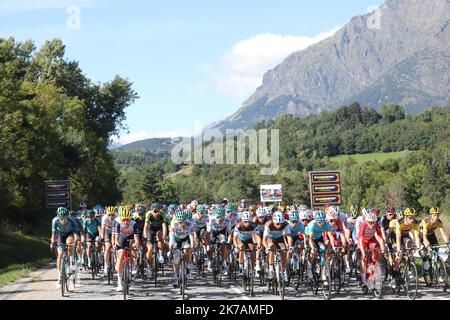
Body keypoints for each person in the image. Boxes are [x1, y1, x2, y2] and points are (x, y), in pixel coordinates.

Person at [112, 206, 141, 292]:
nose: (125, 221)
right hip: (121, 236)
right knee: (121, 254)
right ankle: (119, 282)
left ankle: (133, 265)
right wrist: (116, 245)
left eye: (127, 219)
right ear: (120, 218)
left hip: (131, 236)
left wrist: (135, 245)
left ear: (130, 219)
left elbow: (136, 240)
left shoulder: (134, 223)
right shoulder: (117, 222)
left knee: (133, 249)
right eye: (123, 220)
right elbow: (116, 238)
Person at [51, 207, 79, 289]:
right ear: (58, 216)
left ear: (68, 216)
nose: (63, 220)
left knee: (69, 242)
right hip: (60, 234)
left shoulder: (72, 221)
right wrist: (53, 242)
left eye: (65, 218)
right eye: (61, 218)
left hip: (69, 234)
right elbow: (53, 235)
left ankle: (70, 260)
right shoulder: (55, 221)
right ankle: (59, 275)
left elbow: (76, 235)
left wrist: (75, 242)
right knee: (60, 254)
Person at [305, 210, 336, 283]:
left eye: (322, 221)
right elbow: (310, 239)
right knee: (312, 251)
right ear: (316, 221)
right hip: (309, 237)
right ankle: (309, 267)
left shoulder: (326, 224)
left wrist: (333, 247)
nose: (321, 224)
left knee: (323, 249)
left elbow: (331, 236)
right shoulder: (312, 225)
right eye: (319, 222)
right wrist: (312, 248)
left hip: (318, 237)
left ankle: (323, 273)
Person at [358, 209, 386, 288]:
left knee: (377, 251)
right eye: (370, 222)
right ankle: (363, 278)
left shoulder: (376, 225)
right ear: (366, 221)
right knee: (363, 259)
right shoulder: (363, 225)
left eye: (374, 222)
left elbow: (380, 239)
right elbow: (360, 239)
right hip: (363, 241)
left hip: (371, 241)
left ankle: (373, 270)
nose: (372, 224)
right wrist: (363, 253)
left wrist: (383, 250)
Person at [419, 207, 450, 280]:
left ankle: (438, 273)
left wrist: (447, 243)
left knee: (436, 253)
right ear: (431, 215)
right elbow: (424, 236)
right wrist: (428, 245)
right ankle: (424, 266)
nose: (436, 217)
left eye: (437, 215)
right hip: (422, 235)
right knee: (426, 250)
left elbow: (443, 233)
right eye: (434, 215)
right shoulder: (425, 221)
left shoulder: (439, 222)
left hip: (431, 235)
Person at [263, 211, 293, 282]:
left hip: (279, 239)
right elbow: (264, 239)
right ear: (273, 221)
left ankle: (283, 270)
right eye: (277, 224)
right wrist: (267, 247)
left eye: (280, 224)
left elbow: (288, 236)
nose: (279, 226)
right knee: (271, 248)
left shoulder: (286, 224)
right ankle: (270, 269)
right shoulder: (268, 224)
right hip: (270, 238)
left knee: (284, 250)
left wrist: (290, 246)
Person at [169, 210, 195, 287]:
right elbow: (171, 238)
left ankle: (187, 265)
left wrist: (192, 247)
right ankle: (176, 274)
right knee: (175, 257)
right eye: (180, 222)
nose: (182, 224)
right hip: (176, 239)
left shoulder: (190, 224)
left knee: (187, 248)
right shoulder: (174, 224)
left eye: (183, 222)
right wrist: (170, 249)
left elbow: (191, 236)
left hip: (185, 238)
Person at [143, 203, 169, 278]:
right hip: (150, 229)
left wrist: (164, 236)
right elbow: (146, 226)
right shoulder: (148, 214)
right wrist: (145, 235)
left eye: (158, 211)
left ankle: (160, 255)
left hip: (159, 229)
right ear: (152, 211)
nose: (157, 213)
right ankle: (149, 268)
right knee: (150, 249)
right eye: (155, 211)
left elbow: (164, 226)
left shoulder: (162, 214)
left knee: (159, 236)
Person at [207, 207, 232, 275]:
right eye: (218, 217)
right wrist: (208, 244)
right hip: (213, 232)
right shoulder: (211, 219)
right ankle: (210, 261)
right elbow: (208, 233)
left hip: (222, 232)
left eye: (221, 218)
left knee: (224, 245)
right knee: (210, 247)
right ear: (215, 217)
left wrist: (228, 243)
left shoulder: (227, 220)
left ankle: (223, 262)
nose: (220, 219)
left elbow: (230, 234)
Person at [233, 211, 256, 276]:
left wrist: (256, 243)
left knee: (252, 250)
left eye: (249, 221)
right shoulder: (238, 226)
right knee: (241, 247)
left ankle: (252, 268)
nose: (247, 223)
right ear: (242, 221)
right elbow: (235, 238)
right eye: (245, 221)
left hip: (249, 240)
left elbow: (256, 236)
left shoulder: (253, 225)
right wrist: (236, 246)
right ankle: (240, 267)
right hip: (240, 240)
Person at [101, 206, 116, 275]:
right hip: (107, 231)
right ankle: (106, 265)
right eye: (109, 215)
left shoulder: (117, 218)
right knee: (107, 247)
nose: (111, 216)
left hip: (115, 231)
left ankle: (116, 260)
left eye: (112, 215)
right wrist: (102, 238)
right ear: (107, 215)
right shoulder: (104, 218)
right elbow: (103, 228)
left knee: (116, 246)